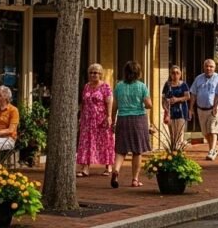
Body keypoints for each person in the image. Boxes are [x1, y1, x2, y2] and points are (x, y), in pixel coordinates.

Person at [111, 60, 152, 188]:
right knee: (137, 150)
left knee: (121, 149)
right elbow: (148, 105)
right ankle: (135, 179)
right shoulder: (141, 86)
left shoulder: (119, 86)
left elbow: (115, 106)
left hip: (122, 119)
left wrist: (113, 120)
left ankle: (116, 170)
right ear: (138, 73)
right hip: (138, 119)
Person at [77, 63, 114, 177]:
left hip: (101, 118)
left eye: (96, 73)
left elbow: (109, 102)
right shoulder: (86, 86)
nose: (93, 75)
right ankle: (85, 168)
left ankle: (108, 166)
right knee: (86, 142)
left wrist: (109, 116)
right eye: (91, 72)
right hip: (87, 119)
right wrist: (80, 116)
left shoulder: (105, 87)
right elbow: (83, 102)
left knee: (105, 141)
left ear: (100, 74)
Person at [189, 58, 218, 160]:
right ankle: (214, 147)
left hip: (215, 108)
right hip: (201, 109)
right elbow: (193, 94)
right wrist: (191, 109)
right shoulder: (198, 79)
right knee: (205, 133)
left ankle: (211, 151)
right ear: (204, 67)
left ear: (215, 67)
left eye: (211, 66)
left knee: (213, 130)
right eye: (207, 66)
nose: (209, 68)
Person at [161, 64, 191, 149]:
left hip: (181, 111)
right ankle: (173, 151)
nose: (175, 75)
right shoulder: (167, 85)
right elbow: (163, 98)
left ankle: (178, 152)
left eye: (177, 73)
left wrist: (177, 99)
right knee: (172, 134)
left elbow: (188, 96)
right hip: (170, 111)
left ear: (180, 74)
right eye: (173, 73)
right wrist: (165, 106)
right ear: (170, 74)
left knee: (179, 133)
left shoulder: (183, 84)